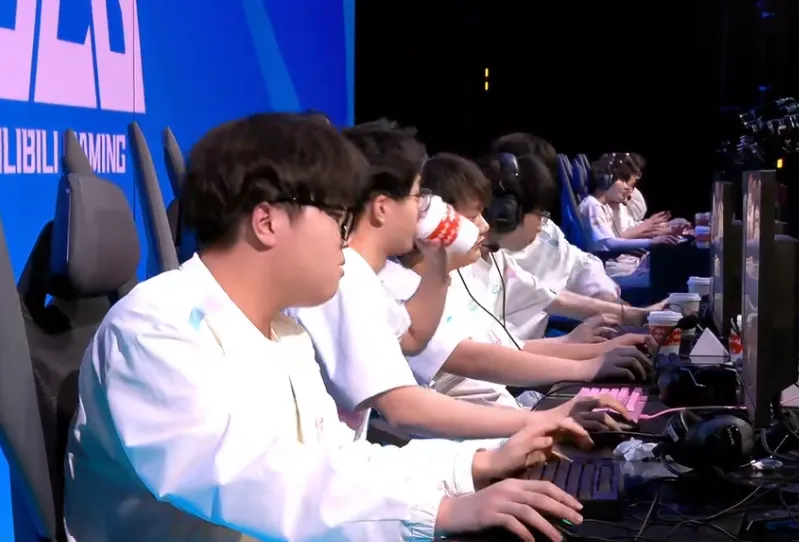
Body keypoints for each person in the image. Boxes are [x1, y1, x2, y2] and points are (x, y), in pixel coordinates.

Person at [63, 113, 589, 542]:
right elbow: (255, 480)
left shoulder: (284, 333)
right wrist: (443, 511)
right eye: (338, 219)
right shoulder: (155, 327)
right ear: (267, 221)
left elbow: (337, 460)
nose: (345, 240)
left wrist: (476, 464)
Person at [290, 119, 632, 442]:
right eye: (417, 196)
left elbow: (412, 335)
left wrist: (438, 260)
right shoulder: (347, 277)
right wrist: (549, 412)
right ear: (382, 207)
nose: (424, 209)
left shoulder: (370, 276)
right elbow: (405, 407)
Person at [380, 153, 653, 415]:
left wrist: (598, 350)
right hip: (477, 433)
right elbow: (477, 359)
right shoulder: (402, 289)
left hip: (503, 417)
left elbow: (505, 347)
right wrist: (589, 367)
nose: (485, 225)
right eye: (474, 216)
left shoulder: (458, 276)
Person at [490, 133, 621, 303]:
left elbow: (581, 263)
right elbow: (536, 296)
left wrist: (602, 292)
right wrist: (603, 308)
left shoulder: (546, 226)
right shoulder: (488, 243)